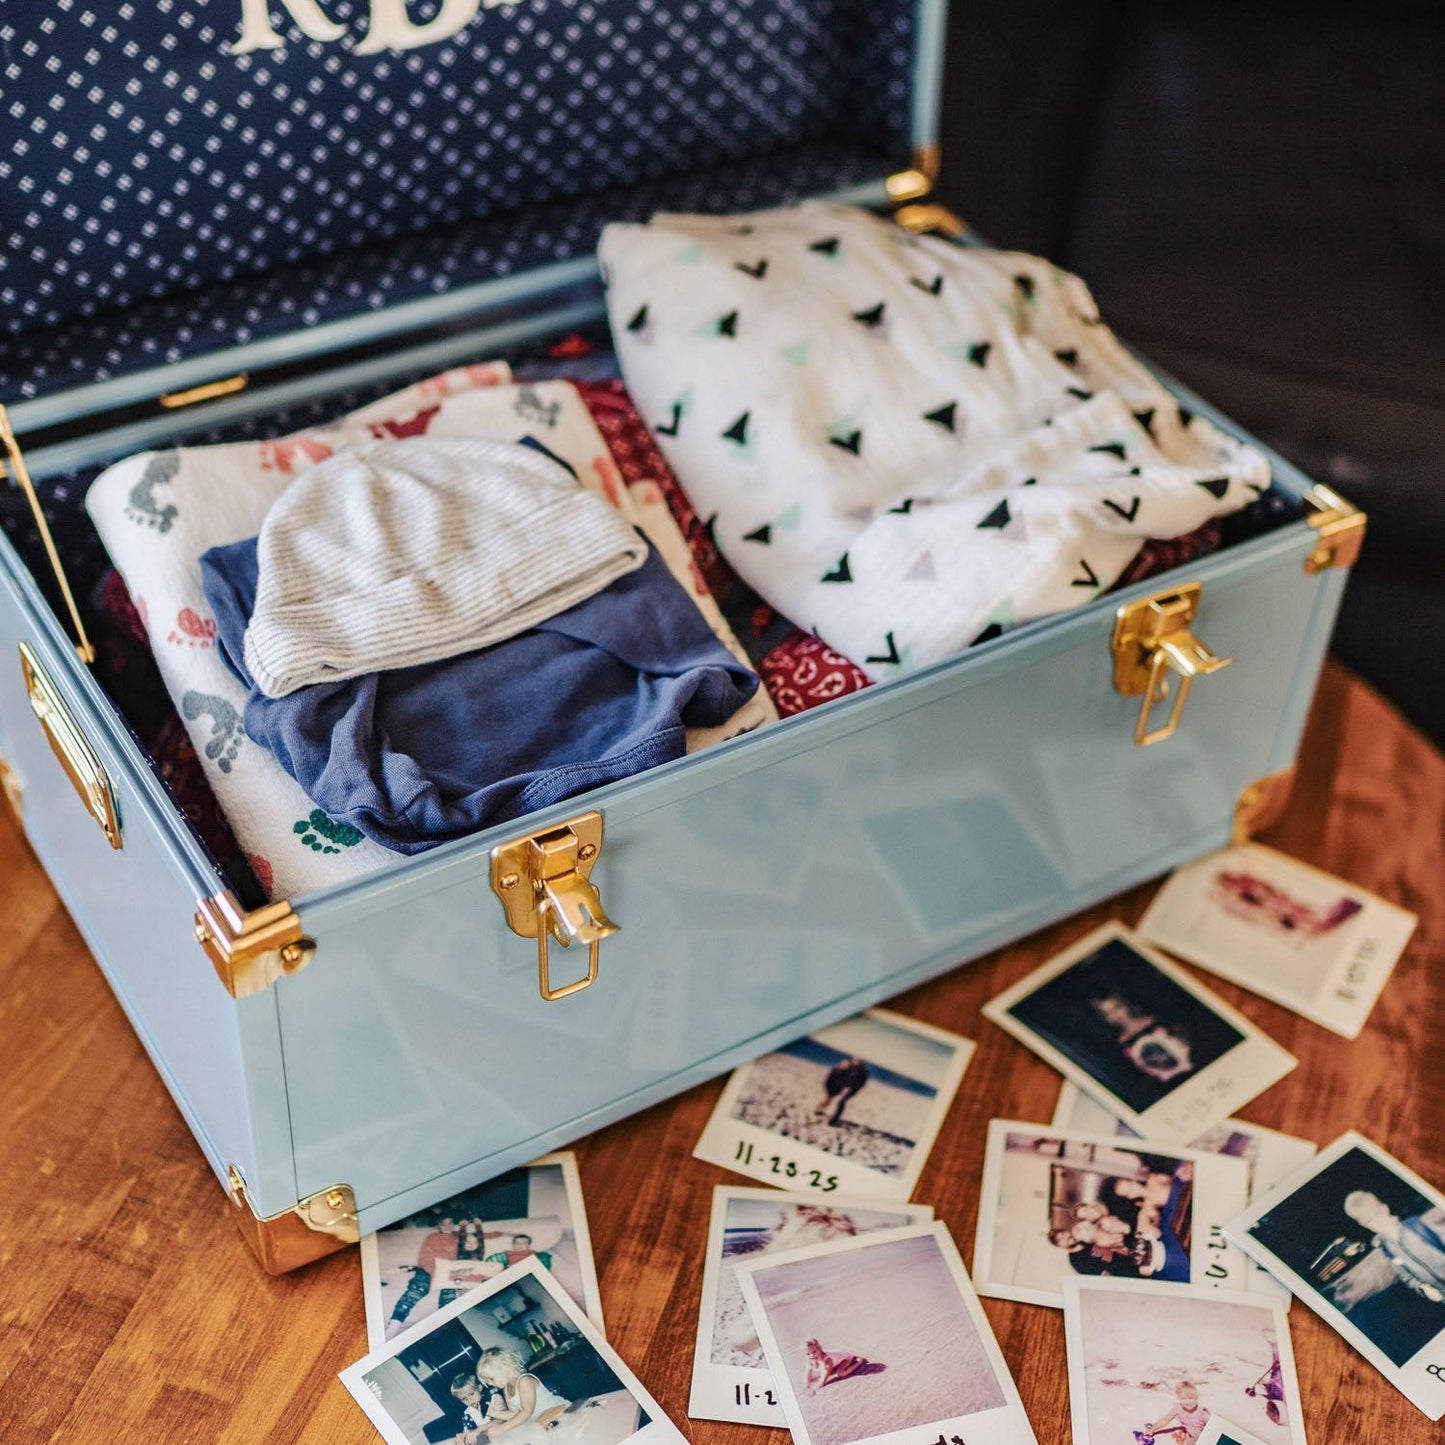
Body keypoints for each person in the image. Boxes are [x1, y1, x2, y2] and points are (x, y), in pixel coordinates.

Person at [1343, 1191, 1445, 1303]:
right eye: (1369, 1221)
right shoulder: (1388, 1249)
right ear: (1364, 1225)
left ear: (1384, 1208)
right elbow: (1407, 1277)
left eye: (1376, 1214)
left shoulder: (1416, 1226)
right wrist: (1422, 1287)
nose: (1377, 1222)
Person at [475, 1347, 570, 1444]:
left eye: (491, 1379)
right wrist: (495, 1413)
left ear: (504, 1367)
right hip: (541, 1422)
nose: (490, 1384)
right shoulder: (506, 1390)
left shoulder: (524, 1381)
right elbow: (515, 1414)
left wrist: (503, 1427)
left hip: (558, 1414)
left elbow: (527, 1411)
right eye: (487, 1382)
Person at [390, 1215, 459, 1325]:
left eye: (450, 1223)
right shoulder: (433, 1237)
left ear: (454, 1224)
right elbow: (425, 1259)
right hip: (428, 1269)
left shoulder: (458, 1236)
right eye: (443, 1224)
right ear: (438, 1226)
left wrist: (477, 1226)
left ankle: (446, 1325)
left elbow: (479, 1239)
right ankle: (394, 1325)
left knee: (449, 1297)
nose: (447, 1226)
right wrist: (435, 1275)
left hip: (448, 1271)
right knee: (416, 1290)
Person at [1138, 1380, 1211, 1443]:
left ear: (1196, 1397)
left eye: (1191, 1398)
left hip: (1204, 1437)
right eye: (1184, 1399)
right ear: (1178, 1398)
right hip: (1193, 1436)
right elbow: (1164, 1420)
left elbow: (1213, 1426)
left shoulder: (1201, 1412)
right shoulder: (1178, 1408)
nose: (1188, 1402)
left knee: (1189, 1442)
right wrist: (1153, 1429)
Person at [814, 1056, 870, 1125]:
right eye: (855, 1061)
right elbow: (837, 1074)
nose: (856, 1063)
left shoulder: (862, 1073)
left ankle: (834, 1119)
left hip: (851, 1089)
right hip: (838, 1086)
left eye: (859, 1062)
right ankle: (818, 1109)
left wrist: (850, 1088)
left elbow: (860, 1084)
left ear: (861, 1064)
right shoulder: (848, 1067)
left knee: (841, 1102)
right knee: (828, 1098)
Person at [801, 1338, 871, 1393]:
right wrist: (806, 1385)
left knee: (840, 1373)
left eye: (814, 1352)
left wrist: (817, 1387)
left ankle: (858, 1362)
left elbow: (824, 1378)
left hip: (846, 1358)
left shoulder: (827, 1360)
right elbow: (808, 1372)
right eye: (808, 1354)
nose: (812, 1355)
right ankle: (835, 1366)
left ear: (819, 1349)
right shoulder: (810, 1358)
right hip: (836, 1360)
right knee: (820, 1371)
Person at [450, 1372, 499, 1445]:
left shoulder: (493, 1399)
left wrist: (478, 1430)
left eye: (471, 1394)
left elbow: (500, 1421)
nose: (470, 1400)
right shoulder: (468, 1413)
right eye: (464, 1399)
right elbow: (467, 1430)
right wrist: (463, 1437)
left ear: (479, 1387)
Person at [485, 1231, 554, 1273]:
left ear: (528, 1245)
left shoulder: (534, 1254)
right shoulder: (507, 1254)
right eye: (517, 1243)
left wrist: (520, 1266)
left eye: (523, 1243)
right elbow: (490, 1261)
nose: (519, 1245)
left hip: (528, 1273)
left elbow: (544, 1264)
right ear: (513, 1245)